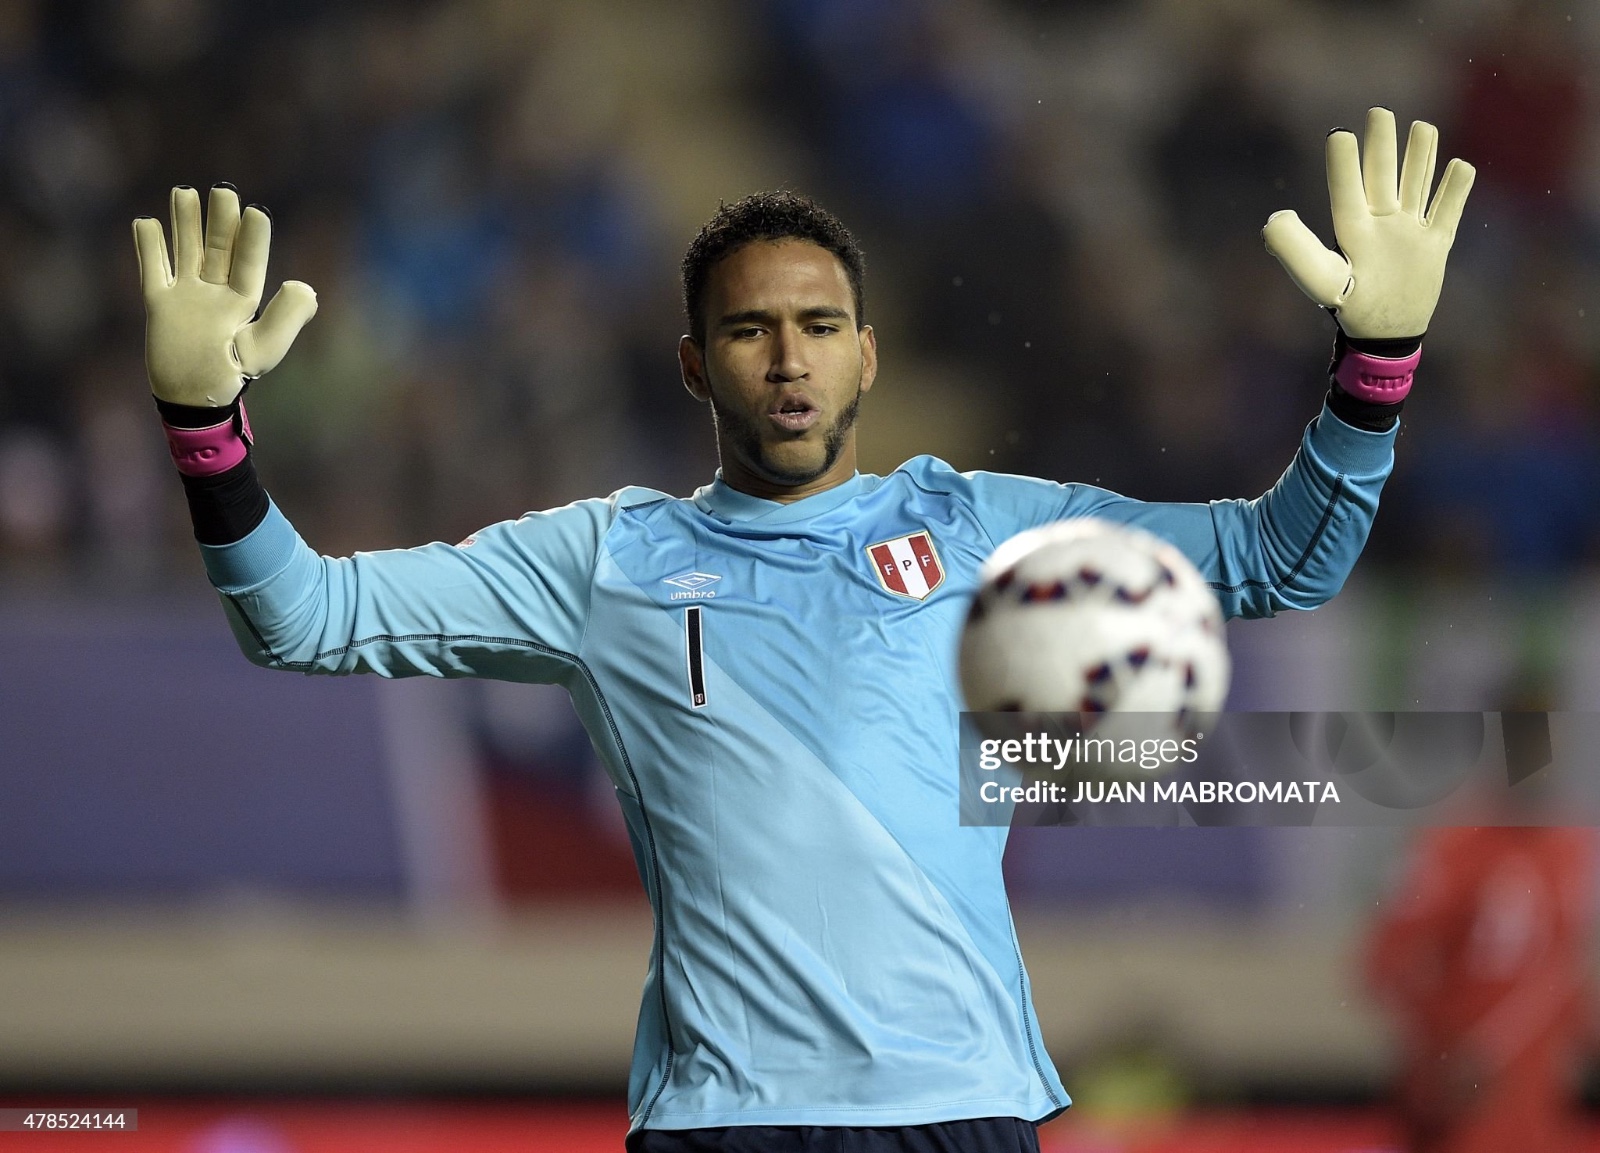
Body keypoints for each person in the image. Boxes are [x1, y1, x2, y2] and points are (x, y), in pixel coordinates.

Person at [132, 108, 1472, 1152]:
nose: (789, 358)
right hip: (730, 1120)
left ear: (868, 356)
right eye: (753, 330)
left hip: (966, 1106)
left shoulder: (976, 527)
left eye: (821, 326)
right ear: (693, 361)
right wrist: (208, 437)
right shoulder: (604, 560)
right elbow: (303, 618)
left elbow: (1281, 559)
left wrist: (1377, 368)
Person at [1367, 826, 1595, 1153]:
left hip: (1534, 1116)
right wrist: (1440, 1047)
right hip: (1466, 1113)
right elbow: (1387, 964)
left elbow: (1568, 984)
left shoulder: (1571, 849)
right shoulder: (1454, 848)